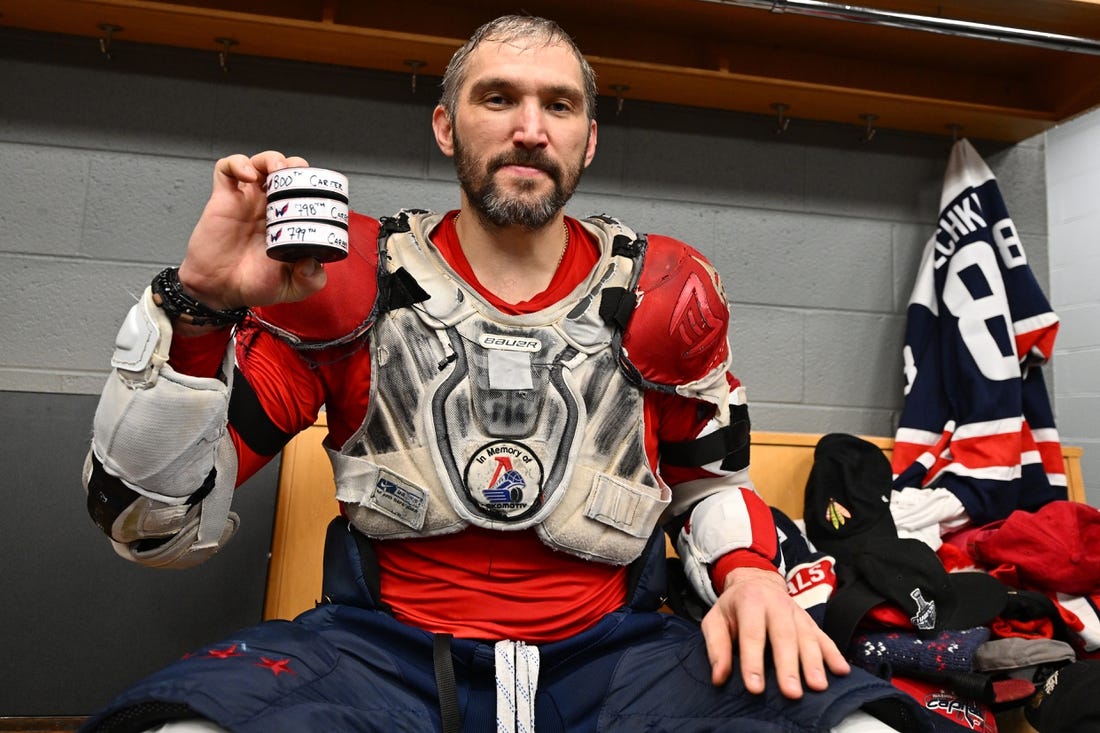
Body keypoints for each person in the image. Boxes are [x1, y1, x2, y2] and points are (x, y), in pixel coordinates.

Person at [79, 15, 930, 733]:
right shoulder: (344, 281)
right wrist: (197, 307)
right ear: (447, 124)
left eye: (558, 105)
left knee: (864, 728)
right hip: (383, 656)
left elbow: (708, 483)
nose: (531, 126)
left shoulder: (665, 295)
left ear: (588, 138)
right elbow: (155, 525)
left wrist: (749, 574)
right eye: (499, 98)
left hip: (620, 658)